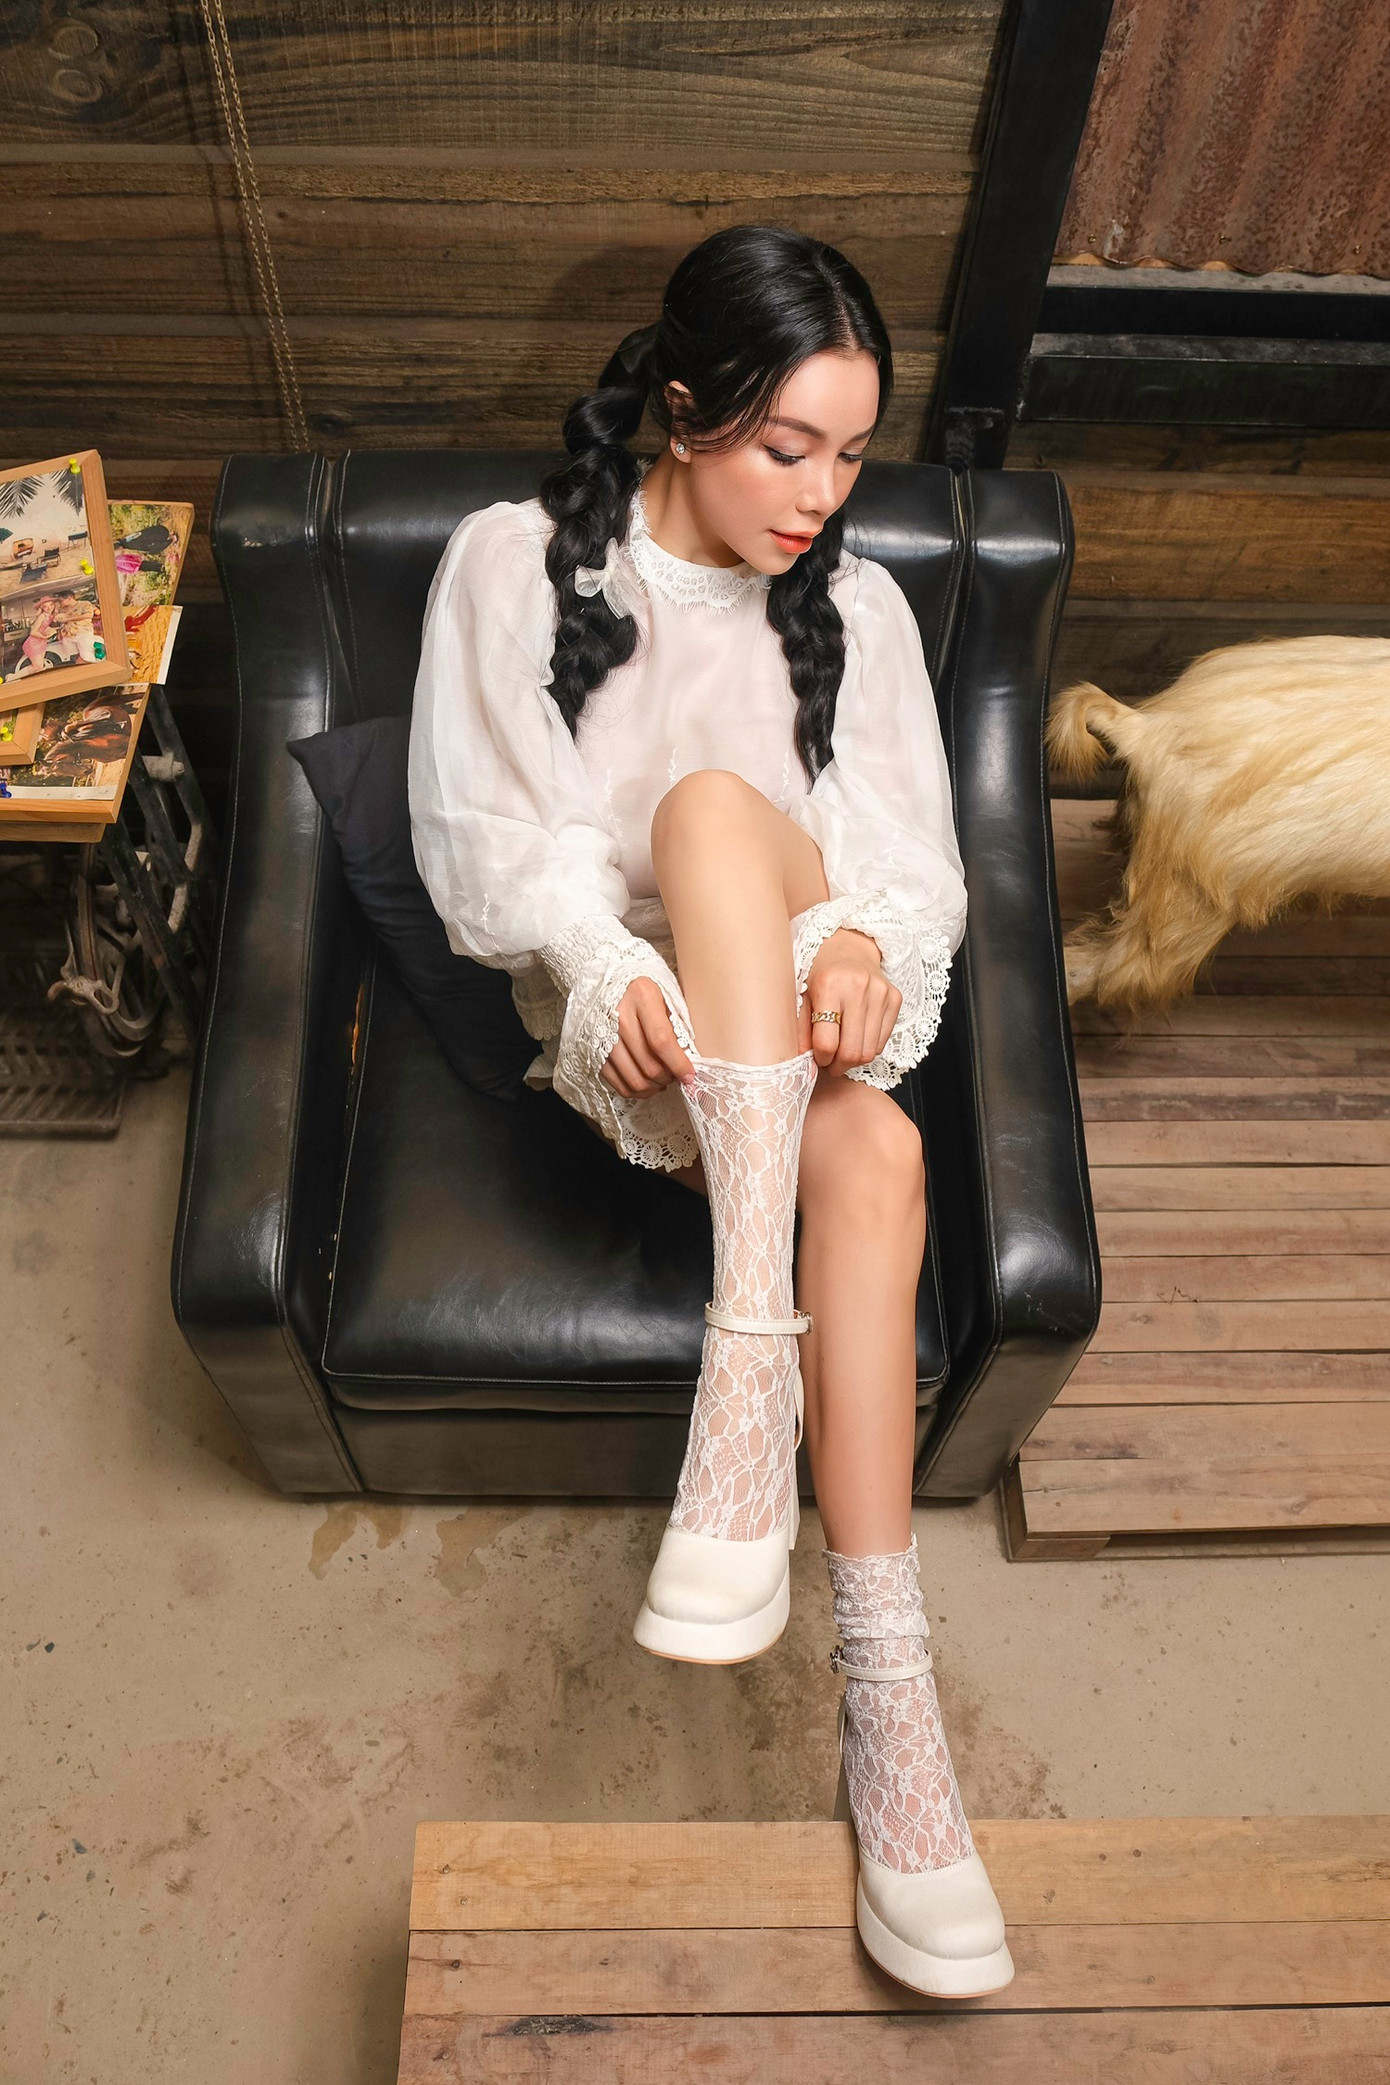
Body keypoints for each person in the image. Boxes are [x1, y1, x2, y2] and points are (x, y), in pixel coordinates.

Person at [408, 224, 1013, 1999]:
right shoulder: (514, 564)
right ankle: (889, 1705)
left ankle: (755, 1399)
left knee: (716, 814)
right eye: (785, 448)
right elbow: (488, 834)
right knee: (875, 1145)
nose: (822, 496)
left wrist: (863, 947)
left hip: (791, 978)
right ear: (683, 410)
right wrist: (600, 965)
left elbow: (906, 862)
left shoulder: (859, 610)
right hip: (646, 1027)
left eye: (851, 454)